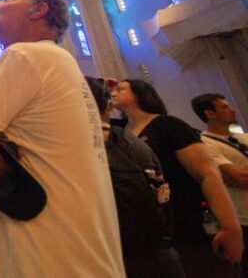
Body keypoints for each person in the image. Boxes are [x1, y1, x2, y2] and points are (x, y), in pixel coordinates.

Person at [0, 0, 124, 277]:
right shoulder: (62, 62)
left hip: (45, 252)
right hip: (79, 251)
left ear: (39, 9)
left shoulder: (25, 56)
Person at [111, 79, 242, 275]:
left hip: (190, 225)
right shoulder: (122, 135)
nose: (113, 92)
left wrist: (230, 226)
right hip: (159, 235)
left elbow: (207, 173)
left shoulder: (167, 124)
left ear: (140, 93)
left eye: (120, 89)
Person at [86, 77, 183, 278]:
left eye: (121, 89)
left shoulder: (91, 141)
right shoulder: (131, 139)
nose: (115, 92)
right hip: (159, 246)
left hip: (126, 252)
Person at [192, 93, 248, 275]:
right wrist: (239, 173)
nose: (232, 110)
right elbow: (239, 177)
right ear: (210, 113)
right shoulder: (205, 143)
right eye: (224, 107)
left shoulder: (244, 138)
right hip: (243, 218)